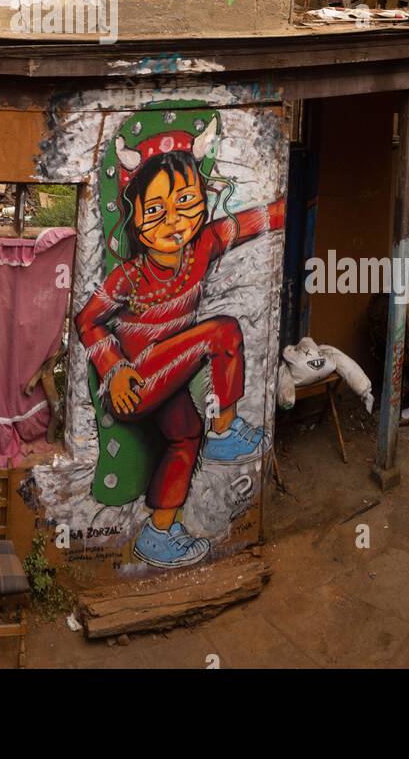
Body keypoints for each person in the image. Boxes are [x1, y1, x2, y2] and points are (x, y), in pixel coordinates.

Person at [77, 121, 284, 569]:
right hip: (135, 381)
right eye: (156, 210)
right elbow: (87, 319)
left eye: (186, 202)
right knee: (222, 331)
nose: (174, 220)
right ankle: (226, 432)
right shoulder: (129, 277)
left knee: (186, 437)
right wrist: (113, 369)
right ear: (134, 217)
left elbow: (253, 221)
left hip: (170, 376)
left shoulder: (202, 246)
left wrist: (294, 203)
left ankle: (158, 532)